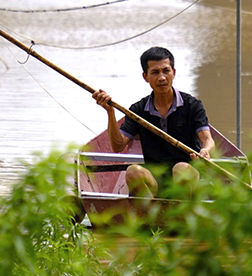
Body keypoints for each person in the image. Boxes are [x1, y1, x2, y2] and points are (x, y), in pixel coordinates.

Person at [92, 46, 214, 198]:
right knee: (133, 171)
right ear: (146, 77)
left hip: (188, 175)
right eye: (155, 72)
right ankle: (152, 215)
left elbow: (207, 139)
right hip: (154, 181)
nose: (161, 77)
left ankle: (179, 216)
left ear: (173, 73)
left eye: (166, 71)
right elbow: (118, 146)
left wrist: (206, 150)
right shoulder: (138, 110)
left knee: (181, 168)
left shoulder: (192, 105)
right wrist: (110, 112)